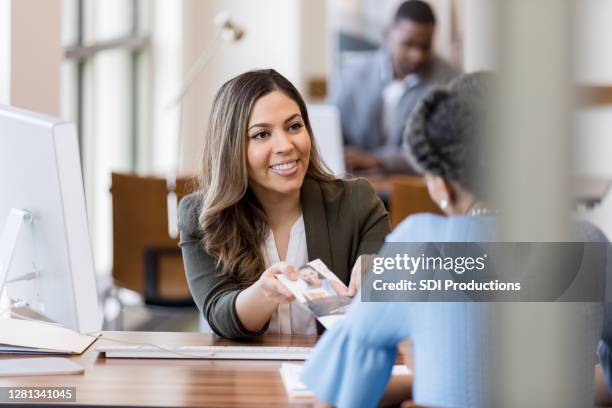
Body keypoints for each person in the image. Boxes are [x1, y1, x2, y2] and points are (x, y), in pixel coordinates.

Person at [302, 73, 605, 407]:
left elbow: (336, 395)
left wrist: (415, 388)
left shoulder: (422, 243)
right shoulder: (589, 244)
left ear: (442, 186)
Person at [178, 69, 390, 339]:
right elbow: (219, 316)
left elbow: (384, 315)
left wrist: (383, 273)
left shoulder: (357, 202)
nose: (285, 145)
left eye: (294, 126)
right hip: (239, 377)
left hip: (328, 372)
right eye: (261, 134)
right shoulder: (200, 215)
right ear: (231, 148)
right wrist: (265, 293)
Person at [328, 0, 460, 173]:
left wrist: (378, 161)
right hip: (354, 182)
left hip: (414, 188)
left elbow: (441, 147)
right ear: (387, 34)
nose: (417, 55)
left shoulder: (448, 81)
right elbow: (331, 131)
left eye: (425, 47)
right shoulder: (351, 74)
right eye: (408, 44)